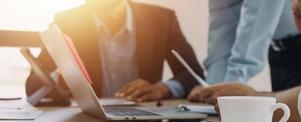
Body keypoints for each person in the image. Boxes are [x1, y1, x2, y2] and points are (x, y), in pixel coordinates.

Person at [26, 0, 204, 102]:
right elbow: (33, 85)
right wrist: (58, 78)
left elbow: (193, 74)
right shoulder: (67, 22)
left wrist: (163, 88)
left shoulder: (162, 20)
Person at [188, 0, 301, 102]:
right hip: (279, 51)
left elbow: (258, 17)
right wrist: (210, 89)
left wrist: (228, 94)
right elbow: (222, 28)